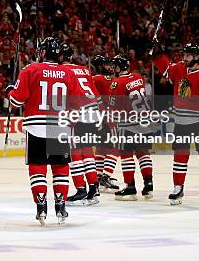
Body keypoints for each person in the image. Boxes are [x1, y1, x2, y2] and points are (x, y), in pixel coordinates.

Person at [6, 37, 94, 225]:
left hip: (36, 126)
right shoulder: (68, 73)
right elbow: (78, 102)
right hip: (61, 126)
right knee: (60, 168)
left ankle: (41, 207)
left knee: (38, 168)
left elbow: (15, 101)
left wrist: (10, 90)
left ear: (43, 52)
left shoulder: (30, 70)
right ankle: (61, 206)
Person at [151, 41, 199, 205]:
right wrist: (158, 56)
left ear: (198, 57)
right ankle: (178, 187)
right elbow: (167, 70)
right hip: (181, 123)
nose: (184, 58)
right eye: (184, 55)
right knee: (180, 156)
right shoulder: (181, 68)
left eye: (188, 55)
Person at [108, 54, 155, 201]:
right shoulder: (138, 77)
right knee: (143, 152)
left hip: (128, 122)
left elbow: (114, 106)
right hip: (145, 120)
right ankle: (149, 183)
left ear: (118, 67)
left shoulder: (117, 83)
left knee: (126, 154)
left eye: (114, 66)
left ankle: (130, 187)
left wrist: (111, 124)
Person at [59, 43, 101, 205]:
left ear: (61, 56)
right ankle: (93, 187)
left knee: (75, 152)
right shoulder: (83, 69)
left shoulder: (62, 71)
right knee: (87, 150)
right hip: (93, 111)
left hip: (78, 112)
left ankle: (81, 189)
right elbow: (95, 94)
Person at [91, 55, 119, 192]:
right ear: (101, 66)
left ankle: (98, 177)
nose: (110, 67)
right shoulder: (106, 79)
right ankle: (106, 176)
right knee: (114, 147)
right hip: (109, 117)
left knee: (101, 148)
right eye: (107, 64)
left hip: (98, 117)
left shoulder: (94, 79)